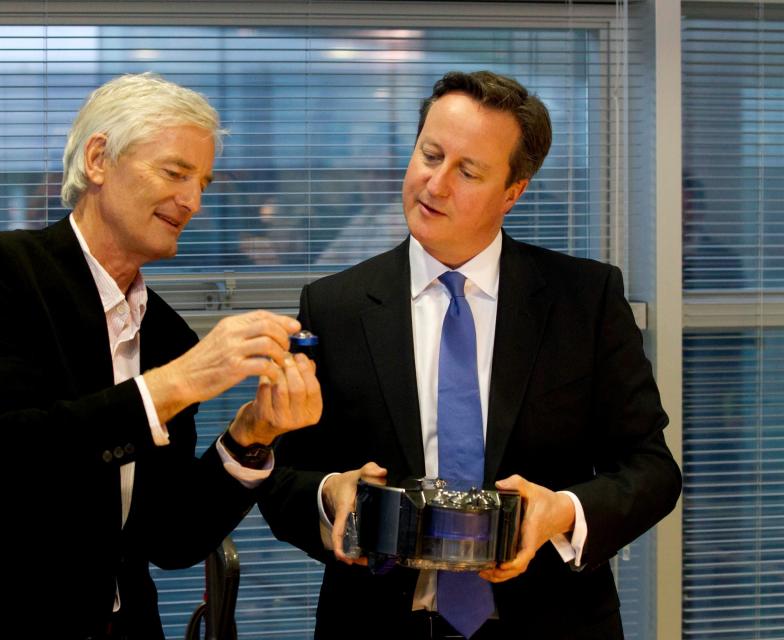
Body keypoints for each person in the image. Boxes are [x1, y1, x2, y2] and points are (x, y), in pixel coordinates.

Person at [0, 73, 322, 639]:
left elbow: (171, 539)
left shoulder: (165, 333)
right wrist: (174, 386)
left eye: (204, 183)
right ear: (98, 160)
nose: (192, 201)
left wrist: (250, 434)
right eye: (175, 173)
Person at [259, 70, 681, 639]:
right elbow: (283, 479)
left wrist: (561, 510)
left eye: (468, 171)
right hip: (379, 622)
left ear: (514, 190)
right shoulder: (334, 306)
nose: (434, 184)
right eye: (429, 155)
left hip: (549, 620)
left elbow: (651, 470)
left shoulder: (584, 299)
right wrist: (329, 493)